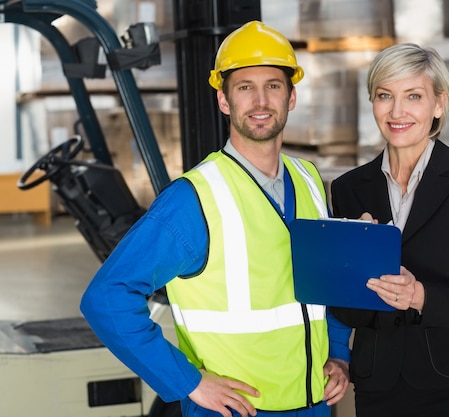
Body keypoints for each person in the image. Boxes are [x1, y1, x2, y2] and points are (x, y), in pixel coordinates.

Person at [80, 20, 351, 417]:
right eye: (245, 88)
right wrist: (188, 382)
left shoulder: (308, 179)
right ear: (224, 101)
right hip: (235, 410)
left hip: (313, 404)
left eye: (273, 86)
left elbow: (328, 282)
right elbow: (107, 297)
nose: (261, 101)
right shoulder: (194, 198)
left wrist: (340, 353)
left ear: (291, 98)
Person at [329, 43, 449, 417]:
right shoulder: (349, 189)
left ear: (438, 104)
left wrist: (419, 295)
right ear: (372, 103)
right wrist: (353, 265)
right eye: (384, 96)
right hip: (380, 388)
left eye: (413, 96)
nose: (397, 112)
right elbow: (348, 312)